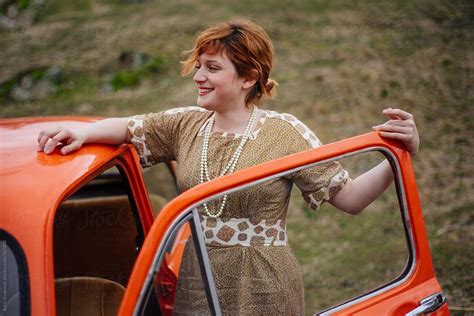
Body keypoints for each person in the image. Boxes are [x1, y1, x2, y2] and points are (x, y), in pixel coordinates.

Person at [37, 18, 419, 315]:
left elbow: (350, 198)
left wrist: (399, 155)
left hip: (264, 286)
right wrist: (80, 132)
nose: (198, 77)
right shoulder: (185, 123)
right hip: (196, 282)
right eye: (199, 66)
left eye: (212, 68)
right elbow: (128, 127)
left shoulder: (285, 133)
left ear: (248, 77)